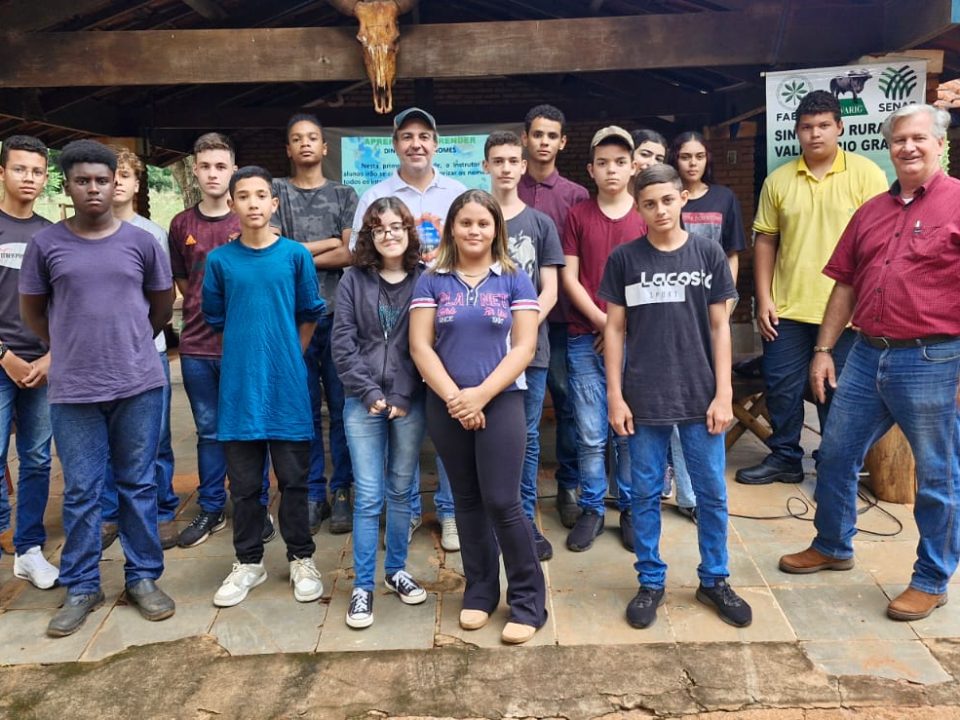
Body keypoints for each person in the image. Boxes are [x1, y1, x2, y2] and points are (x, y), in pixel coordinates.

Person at [779, 104, 960, 622]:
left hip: (933, 358)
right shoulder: (873, 211)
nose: (908, 147)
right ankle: (833, 545)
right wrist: (822, 350)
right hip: (864, 354)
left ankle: (931, 578)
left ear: (940, 144)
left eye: (919, 139)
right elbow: (846, 282)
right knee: (835, 454)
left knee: (938, 475)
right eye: (899, 139)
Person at [20, 139, 176, 637]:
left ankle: (143, 578)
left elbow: (159, 305)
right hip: (74, 388)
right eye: (83, 180)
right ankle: (83, 584)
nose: (93, 188)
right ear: (68, 184)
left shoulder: (141, 242)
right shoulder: (47, 245)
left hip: (138, 383)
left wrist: (127, 342)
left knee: (138, 484)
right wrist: (70, 345)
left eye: (102, 180)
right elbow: (33, 312)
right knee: (83, 491)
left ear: (115, 184)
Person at [603, 164, 750, 629]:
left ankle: (715, 578)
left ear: (682, 198)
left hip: (700, 395)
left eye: (667, 200)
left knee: (710, 493)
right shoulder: (624, 259)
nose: (660, 210)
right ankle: (650, 580)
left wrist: (724, 392)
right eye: (649, 203)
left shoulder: (707, 255)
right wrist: (615, 395)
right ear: (638, 207)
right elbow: (614, 329)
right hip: (643, 397)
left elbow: (719, 326)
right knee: (644, 492)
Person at [410, 189, 546, 644]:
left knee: (504, 503)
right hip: (445, 404)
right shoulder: (432, 279)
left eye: (483, 223)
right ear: (452, 227)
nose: (474, 230)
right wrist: (455, 398)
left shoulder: (513, 279)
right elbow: (420, 346)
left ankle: (528, 601)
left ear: (496, 230)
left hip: (502, 400)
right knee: (465, 502)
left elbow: (525, 348)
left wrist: (481, 395)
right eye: (465, 222)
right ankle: (481, 592)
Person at [737, 90, 888, 486]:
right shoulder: (779, 179)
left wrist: (867, 301)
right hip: (786, 307)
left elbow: (879, 244)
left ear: (839, 127)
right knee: (782, 386)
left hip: (845, 311)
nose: (815, 134)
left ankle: (832, 467)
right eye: (807, 127)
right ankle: (785, 456)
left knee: (836, 392)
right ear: (797, 132)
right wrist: (764, 298)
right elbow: (766, 240)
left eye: (824, 126)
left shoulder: (866, 175)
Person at [202, 166, 325, 608]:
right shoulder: (219, 261)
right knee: (245, 485)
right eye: (243, 196)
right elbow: (216, 317)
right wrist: (248, 351)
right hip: (239, 387)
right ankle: (248, 561)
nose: (253, 203)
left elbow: (310, 311)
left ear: (274, 204)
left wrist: (290, 353)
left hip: (287, 385)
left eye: (261, 195)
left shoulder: (295, 256)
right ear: (232, 205)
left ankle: (301, 557)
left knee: (294, 480)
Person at [353, 107, 466, 550]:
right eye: (407, 136)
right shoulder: (375, 195)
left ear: (436, 143)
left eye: (424, 135)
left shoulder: (458, 193)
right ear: (395, 144)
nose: (416, 143)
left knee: (446, 421)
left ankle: (452, 511)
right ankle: (409, 512)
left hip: (450, 319)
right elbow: (359, 256)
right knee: (404, 423)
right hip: (397, 327)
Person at [169, 133, 273, 548]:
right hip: (197, 345)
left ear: (232, 170)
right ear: (195, 171)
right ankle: (211, 507)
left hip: (244, 345)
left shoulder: (247, 218)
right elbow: (183, 282)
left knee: (251, 429)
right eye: (205, 166)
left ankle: (257, 506)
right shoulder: (181, 224)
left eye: (221, 166)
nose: (213, 174)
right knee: (209, 431)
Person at [332, 197, 428, 628]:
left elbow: (429, 344)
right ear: (369, 235)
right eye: (379, 227)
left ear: (409, 232)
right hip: (361, 401)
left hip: (409, 402)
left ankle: (397, 572)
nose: (389, 233)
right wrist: (368, 391)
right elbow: (343, 342)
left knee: (402, 488)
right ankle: (363, 586)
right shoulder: (353, 279)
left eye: (397, 226)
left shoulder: (426, 279)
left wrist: (403, 394)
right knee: (368, 494)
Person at [271, 113, 358, 535]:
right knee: (303, 411)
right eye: (296, 139)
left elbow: (351, 254)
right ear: (288, 149)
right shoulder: (276, 193)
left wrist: (295, 254)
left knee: (343, 409)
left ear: (325, 148)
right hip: (293, 321)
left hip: (340, 318)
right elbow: (272, 255)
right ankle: (311, 494)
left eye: (313, 138)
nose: (305, 144)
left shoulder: (344, 193)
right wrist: (326, 244)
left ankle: (342, 491)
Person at [561, 126, 645, 553]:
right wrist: (601, 323)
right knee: (591, 432)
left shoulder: (645, 214)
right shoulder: (578, 214)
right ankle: (593, 507)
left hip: (637, 338)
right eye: (603, 163)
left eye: (620, 162)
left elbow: (654, 278)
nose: (612, 170)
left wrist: (620, 327)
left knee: (628, 428)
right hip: (584, 335)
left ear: (633, 167)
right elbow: (569, 277)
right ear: (590, 169)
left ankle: (629, 506)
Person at [484, 130, 564, 561]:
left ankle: (523, 518)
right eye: (498, 161)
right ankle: (490, 517)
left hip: (529, 349)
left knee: (527, 436)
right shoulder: (474, 217)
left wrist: (523, 330)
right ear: (486, 167)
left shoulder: (540, 223)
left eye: (513, 161)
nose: (506, 168)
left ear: (523, 165)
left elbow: (550, 288)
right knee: (486, 433)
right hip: (481, 352)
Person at [99, 146, 180, 551]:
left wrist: (141, 337)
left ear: (135, 183)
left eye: (124, 176)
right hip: (100, 355)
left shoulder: (152, 235)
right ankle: (111, 512)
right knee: (109, 437)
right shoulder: (86, 231)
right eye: (109, 176)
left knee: (157, 435)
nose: (116, 184)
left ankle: (162, 510)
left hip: (148, 350)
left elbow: (163, 299)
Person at [666, 130, 749, 521]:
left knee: (705, 402)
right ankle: (685, 491)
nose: (692, 163)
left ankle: (700, 493)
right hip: (670, 315)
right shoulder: (665, 199)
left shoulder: (723, 198)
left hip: (710, 312)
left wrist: (726, 299)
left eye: (699, 156)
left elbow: (732, 254)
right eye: (685, 156)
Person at [519, 104, 589, 530]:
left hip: (565, 316)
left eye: (552, 136)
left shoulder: (577, 195)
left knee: (567, 402)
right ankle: (517, 495)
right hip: (511, 319)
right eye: (537, 134)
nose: (543, 142)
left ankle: (569, 485)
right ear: (525, 137)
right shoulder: (506, 190)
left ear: (562, 142)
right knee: (520, 410)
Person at [0, 135, 58, 589]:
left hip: (43, 365)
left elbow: (65, 303)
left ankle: (29, 548)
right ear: (2, 172)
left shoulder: (49, 235)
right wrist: (5, 358)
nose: (29, 178)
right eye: (20, 169)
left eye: (37, 171)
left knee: (37, 458)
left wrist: (53, 357)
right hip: (1, 363)